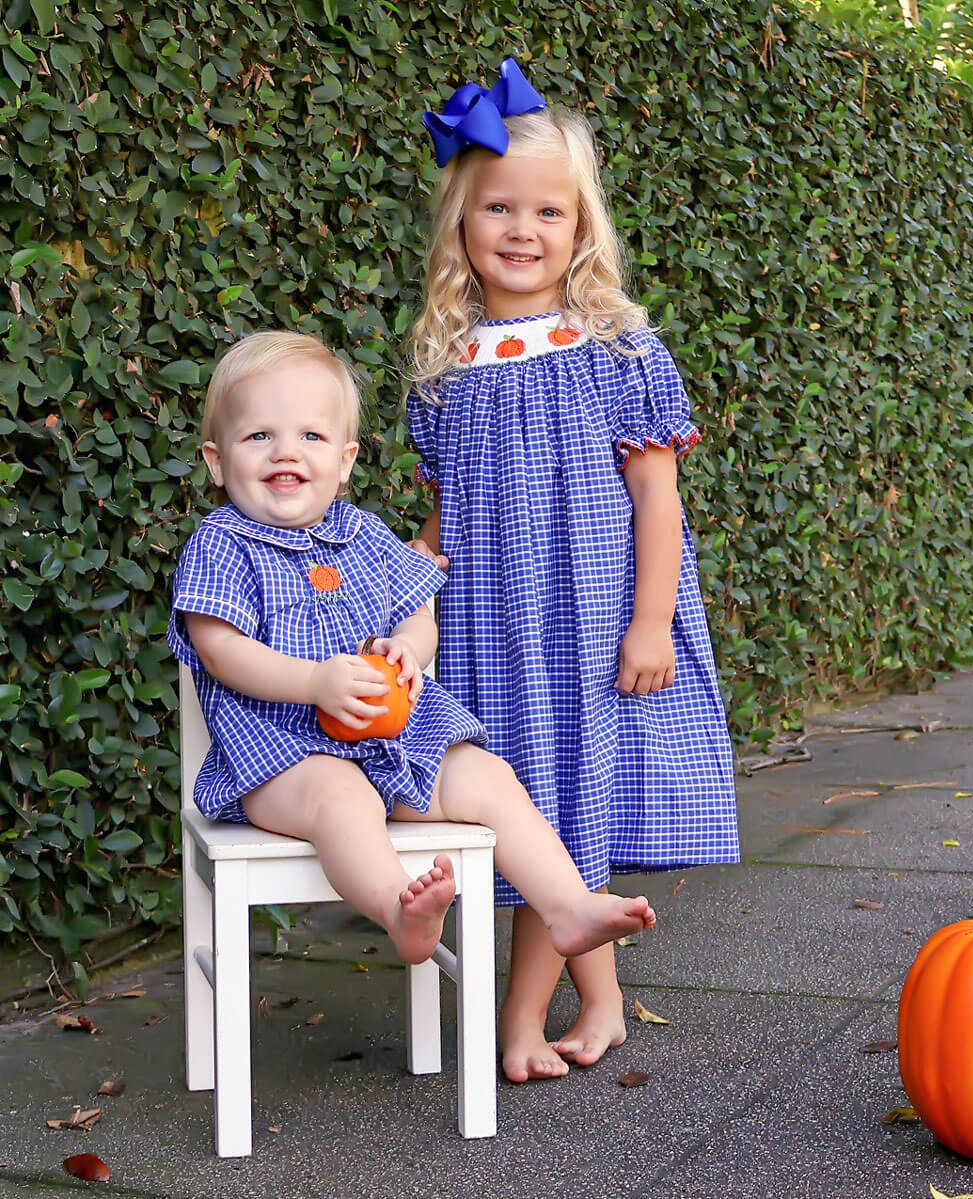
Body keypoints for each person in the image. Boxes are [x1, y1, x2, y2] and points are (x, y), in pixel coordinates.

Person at [407, 60, 740, 1083]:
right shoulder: (446, 362)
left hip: (589, 614)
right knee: (530, 803)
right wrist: (411, 583)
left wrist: (650, 622)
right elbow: (442, 512)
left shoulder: (616, 349)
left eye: (549, 210)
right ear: (461, 224)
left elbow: (657, 497)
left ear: (582, 226)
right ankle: (599, 996)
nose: (522, 228)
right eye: (497, 206)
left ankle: (524, 1015)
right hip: (487, 622)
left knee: (561, 796)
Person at [168, 330, 656, 970]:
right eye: (259, 436)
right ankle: (399, 909)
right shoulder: (222, 543)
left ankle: (568, 905)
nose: (285, 451)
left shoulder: (365, 534)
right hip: (281, 759)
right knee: (343, 800)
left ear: (344, 462)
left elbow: (419, 615)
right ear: (216, 458)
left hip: (396, 743)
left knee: (486, 775)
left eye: (310, 437)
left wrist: (406, 646)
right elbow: (220, 649)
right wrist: (314, 683)